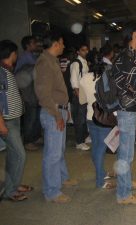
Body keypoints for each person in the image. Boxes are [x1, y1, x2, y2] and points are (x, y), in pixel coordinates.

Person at [34, 31, 78, 204]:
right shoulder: (44, 63)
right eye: (62, 43)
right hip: (52, 112)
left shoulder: (52, 60)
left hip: (59, 110)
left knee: (58, 150)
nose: (64, 46)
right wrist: (56, 114)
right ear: (55, 44)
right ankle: (51, 191)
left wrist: (64, 109)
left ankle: (62, 178)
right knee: (52, 154)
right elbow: (43, 94)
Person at [112, 20, 136, 205]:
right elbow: (132, 86)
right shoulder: (127, 57)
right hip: (127, 110)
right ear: (134, 35)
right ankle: (123, 195)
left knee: (125, 152)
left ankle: (127, 182)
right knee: (126, 154)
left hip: (126, 109)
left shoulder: (127, 55)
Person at [0, 40, 33, 201]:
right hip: (7, 121)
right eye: (15, 53)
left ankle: (14, 184)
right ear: (11, 54)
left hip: (13, 120)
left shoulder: (7, 70)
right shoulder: (1, 72)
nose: (17, 55)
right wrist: (0, 123)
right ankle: (10, 191)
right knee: (20, 155)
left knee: (13, 156)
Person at [79, 63, 116, 190]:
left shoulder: (84, 78)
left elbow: (81, 100)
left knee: (95, 146)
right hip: (104, 118)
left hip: (90, 116)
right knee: (101, 149)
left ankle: (101, 173)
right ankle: (100, 181)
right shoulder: (106, 79)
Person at [15, 35, 42, 151]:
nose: (35, 45)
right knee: (31, 116)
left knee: (35, 115)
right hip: (27, 90)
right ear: (27, 45)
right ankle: (28, 141)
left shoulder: (31, 56)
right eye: (33, 43)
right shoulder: (26, 57)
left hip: (33, 89)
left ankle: (35, 137)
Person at [70, 43, 90, 151]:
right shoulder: (76, 64)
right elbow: (74, 82)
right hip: (78, 95)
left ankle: (84, 137)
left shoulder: (84, 62)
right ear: (78, 52)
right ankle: (79, 142)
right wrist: (79, 97)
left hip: (83, 94)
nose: (86, 52)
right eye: (83, 50)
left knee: (83, 118)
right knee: (79, 119)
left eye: (86, 49)